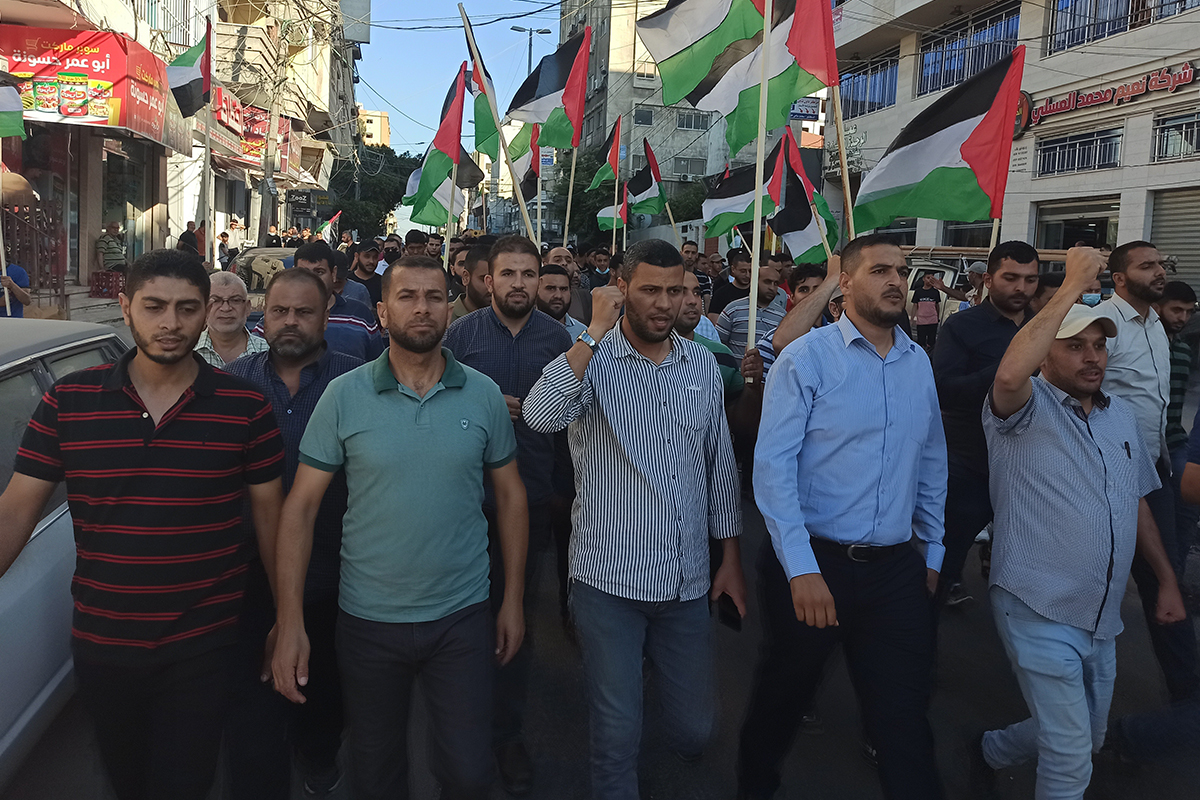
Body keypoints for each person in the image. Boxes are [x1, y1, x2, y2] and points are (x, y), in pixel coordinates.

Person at [0, 249, 285, 800]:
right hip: (104, 641)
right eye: (154, 306)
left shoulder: (244, 406)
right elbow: (15, 512)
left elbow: (274, 522)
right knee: (127, 781)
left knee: (184, 781)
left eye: (185, 308)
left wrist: (287, 619)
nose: (170, 323)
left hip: (204, 643)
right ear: (126, 308)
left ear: (207, 313)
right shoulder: (69, 401)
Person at [272, 255, 528, 800]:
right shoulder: (343, 396)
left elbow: (510, 497)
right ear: (382, 312)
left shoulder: (482, 393)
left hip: (461, 616)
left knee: (467, 770)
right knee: (377, 770)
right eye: (408, 297)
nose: (422, 308)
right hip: (367, 621)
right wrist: (290, 619)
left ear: (449, 306)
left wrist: (512, 601)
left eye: (434, 296)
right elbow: (299, 510)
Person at [524, 239, 745, 799]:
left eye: (676, 290)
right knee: (617, 732)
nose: (664, 302)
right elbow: (539, 415)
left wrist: (731, 560)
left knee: (695, 729)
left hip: (687, 582)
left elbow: (719, 466)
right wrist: (592, 334)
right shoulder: (591, 358)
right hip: (607, 582)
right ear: (622, 289)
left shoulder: (701, 364)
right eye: (650, 289)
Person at [738, 233, 947, 800]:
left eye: (902, 271)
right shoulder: (807, 359)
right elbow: (773, 468)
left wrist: (933, 549)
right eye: (880, 270)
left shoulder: (917, 362)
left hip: (894, 572)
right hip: (815, 564)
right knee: (784, 697)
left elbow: (930, 457)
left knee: (903, 717)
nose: (895, 281)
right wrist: (801, 570)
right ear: (845, 284)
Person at [975, 248, 1185, 799]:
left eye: (1099, 345)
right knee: (1070, 762)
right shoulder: (1021, 410)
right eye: (1074, 346)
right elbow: (1008, 372)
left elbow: (1136, 499)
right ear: (1047, 354)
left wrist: (1164, 579)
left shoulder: (1117, 413)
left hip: (1101, 617)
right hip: (1037, 605)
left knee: (1085, 737)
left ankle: (989, 751)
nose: (1093, 357)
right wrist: (1069, 286)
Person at [223, 268, 363, 799]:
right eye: (280, 311)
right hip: (247, 571)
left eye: (304, 312)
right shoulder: (233, 382)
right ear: (264, 313)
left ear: (326, 314)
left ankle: (319, 759)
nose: (290, 322)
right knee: (254, 697)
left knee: (325, 689)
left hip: (333, 570)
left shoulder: (358, 380)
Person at [443, 236, 574, 795]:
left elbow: (574, 418)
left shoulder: (559, 338)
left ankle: (507, 733)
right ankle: (461, 734)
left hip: (535, 496)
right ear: (487, 280)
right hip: (466, 504)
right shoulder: (459, 337)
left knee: (514, 620)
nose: (520, 284)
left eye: (529, 274)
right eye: (509, 274)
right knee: (462, 626)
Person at [1098, 240, 1200, 702]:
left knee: (1166, 580)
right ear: (1120, 278)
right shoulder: (1102, 324)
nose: (1159, 271)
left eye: (1161, 264)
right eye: (1147, 265)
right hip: (1105, 478)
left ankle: (1186, 694)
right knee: (1095, 584)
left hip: (1154, 470)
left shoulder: (1158, 324)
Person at [930, 241, 1040, 608]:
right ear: (989, 280)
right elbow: (944, 389)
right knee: (945, 558)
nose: (1021, 288)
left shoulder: (1046, 326)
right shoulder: (962, 327)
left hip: (1030, 465)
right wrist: (1009, 371)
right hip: (971, 461)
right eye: (1011, 278)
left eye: (1030, 279)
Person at [254, 240, 382, 362]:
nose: (311, 279)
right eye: (304, 272)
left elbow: (377, 367)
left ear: (333, 274)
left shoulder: (360, 315)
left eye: (319, 272)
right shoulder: (276, 317)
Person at [1158, 280, 1199, 573]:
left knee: (1187, 511)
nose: (1182, 318)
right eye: (1176, 310)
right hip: (1142, 443)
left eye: (1188, 311)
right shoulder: (1142, 343)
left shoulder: (1184, 350)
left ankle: (1177, 577)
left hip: (1174, 440)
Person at [194, 272, 269, 368]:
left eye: (235, 300)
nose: (226, 308)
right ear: (204, 307)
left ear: (247, 307)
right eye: (216, 300)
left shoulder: (269, 354)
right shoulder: (187, 352)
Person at [714, 259, 785, 359]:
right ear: (754, 281)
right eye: (767, 282)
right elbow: (718, 344)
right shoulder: (733, 309)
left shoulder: (782, 316)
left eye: (776, 283)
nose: (772, 287)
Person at [538, 263, 587, 339]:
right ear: (536, 289)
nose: (558, 295)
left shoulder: (582, 332)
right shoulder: (521, 330)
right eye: (551, 288)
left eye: (563, 289)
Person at [708, 248, 753, 321]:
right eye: (743, 271)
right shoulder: (721, 294)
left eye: (750, 271)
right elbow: (713, 319)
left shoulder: (757, 293)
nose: (747, 275)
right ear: (733, 269)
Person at [452, 245, 491, 323]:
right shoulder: (445, 317)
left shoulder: (510, 319)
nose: (491, 287)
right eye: (483, 279)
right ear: (466, 277)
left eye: (496, 280)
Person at [911, 274, 943, 350]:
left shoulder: (935, 292)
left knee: (931, 341)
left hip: (932, 320)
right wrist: (912, 319)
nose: (930, 280)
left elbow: (937, 306)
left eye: (932, 278)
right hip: (921, 321)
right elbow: (915, 306)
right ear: (923, 279)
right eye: (928, 278)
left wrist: (937, 317)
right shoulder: (918, 292)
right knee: (921, 340)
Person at [349, 240, 384, 308]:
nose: (371, 261)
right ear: (356, 256)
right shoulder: (347, 281)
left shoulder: (383, 283)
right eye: (367, 256)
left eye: (375, 257)